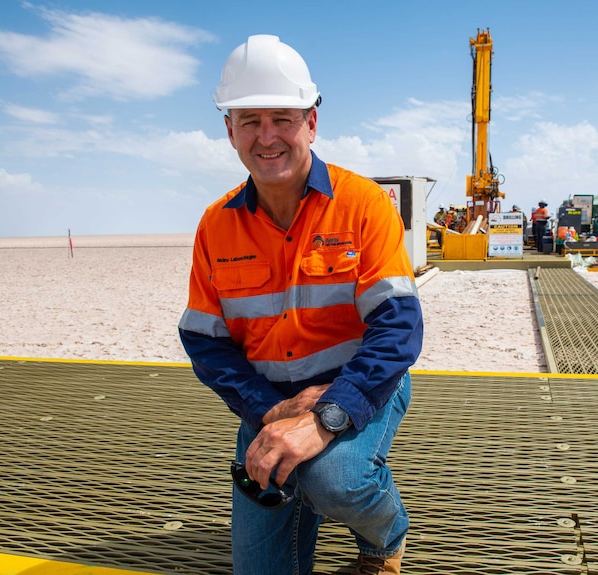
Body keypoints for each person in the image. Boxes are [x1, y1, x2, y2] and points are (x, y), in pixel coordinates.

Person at [178, 35, 423, 575]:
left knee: (333, 478)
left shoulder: (363, 206)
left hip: (363, 385)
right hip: (270, 399)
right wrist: (270, 412)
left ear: (311, 122)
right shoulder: (215, 225)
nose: (267, 137)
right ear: (229, 131)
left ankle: (385, 540)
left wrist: (326, 417)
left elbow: (398, 330)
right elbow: (204, 341)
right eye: (249, 120)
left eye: (282, 118)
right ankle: (302, 479)